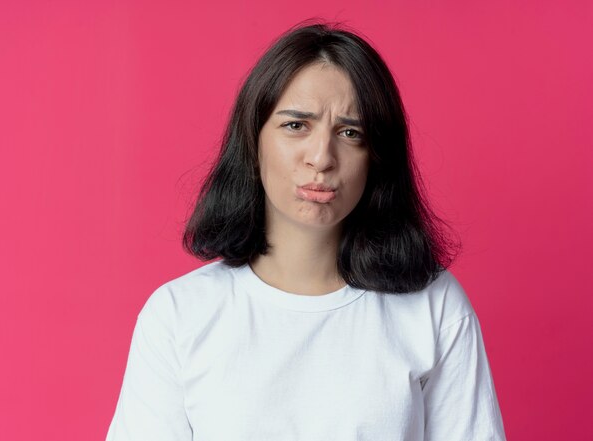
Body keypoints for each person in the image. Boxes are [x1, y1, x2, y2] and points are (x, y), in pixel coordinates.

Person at [106, 20, 506, 441]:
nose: (321, 157)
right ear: (253, 139)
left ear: (377, 157)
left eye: (350, 133)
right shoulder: (178, 314)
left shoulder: (434, 307)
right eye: (296, 125)